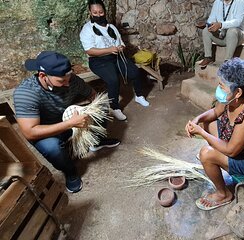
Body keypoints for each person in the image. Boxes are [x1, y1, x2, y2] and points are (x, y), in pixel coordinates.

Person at [13, 51, 120, 193]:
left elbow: (93, 95)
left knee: (101, 107)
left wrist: (89, 111)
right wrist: (70, 123)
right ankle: (70, 172)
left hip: (69, 119)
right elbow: (30, 132)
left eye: (68, 78)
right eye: (61, 81)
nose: (67, 83)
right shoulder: (26, 93)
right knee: (52, 148)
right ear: (43, 76)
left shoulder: (71, 80)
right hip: (47, 129)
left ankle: (96, 142)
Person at [185, 58, 244, 210]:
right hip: (240, 144)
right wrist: (198, 119)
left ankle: (224, 194)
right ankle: (216, 159)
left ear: (238, 92)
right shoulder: (233, 95)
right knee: (208, 122)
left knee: (206, 154)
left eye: (222, 86)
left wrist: (201, 133)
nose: (219, 89)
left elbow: (232, 150)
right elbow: (216, 112)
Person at [80, 0, 149, 121]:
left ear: (104, 12)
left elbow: (121, 43)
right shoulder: (87, 29)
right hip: (98, 61)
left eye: (101, 12)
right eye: (95, 12)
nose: (98, 15)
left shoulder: (111, 27)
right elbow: (89, 51)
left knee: (135, 72)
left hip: (115, 57)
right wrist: (108, 50)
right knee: (113, 80)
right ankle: (115, 107)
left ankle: (139, 96)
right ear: (90, 13)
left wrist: (120, 47)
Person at [199, 0, 244, 67]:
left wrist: (221, 25)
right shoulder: (217, 2)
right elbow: (211, 19)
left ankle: (228, 61)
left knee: (232, 31)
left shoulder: (242, 1)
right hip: (222, 34)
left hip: (237, 35)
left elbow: (238, 22)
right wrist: (208, 25)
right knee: (206, 31)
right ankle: (208, 57)